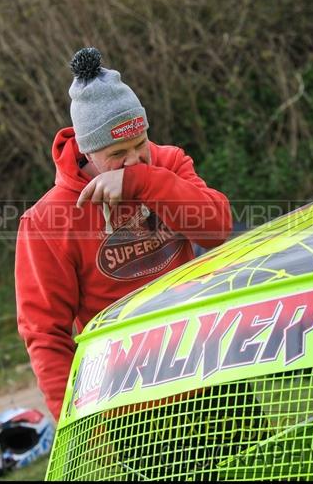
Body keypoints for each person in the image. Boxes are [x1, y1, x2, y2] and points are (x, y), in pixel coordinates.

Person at [15, 47, 232, 421]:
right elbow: (45, 333)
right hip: (132, 403)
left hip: (210, 370)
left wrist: (143, 181)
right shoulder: (45, 221)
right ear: (87, 151)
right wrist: (76, 420)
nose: (133, 159)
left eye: (140, 145)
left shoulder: (168, 163)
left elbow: (217, 229)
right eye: (117, 153)